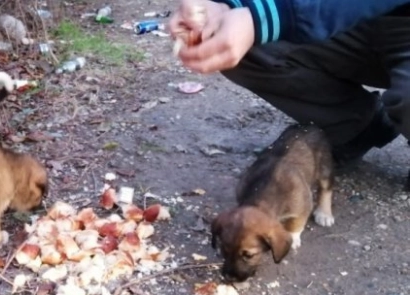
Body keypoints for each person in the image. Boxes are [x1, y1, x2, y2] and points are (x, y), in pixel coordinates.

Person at [168, 0, 410, 174]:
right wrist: (222, 6)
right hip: (354, 21)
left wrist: (265, 16)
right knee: (235, 38)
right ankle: (358, 127)